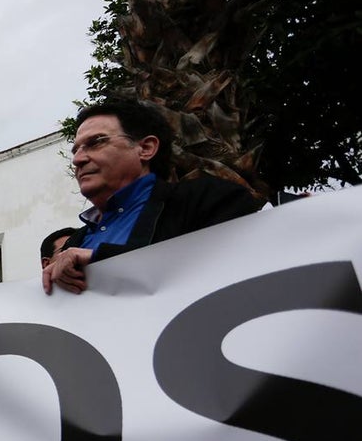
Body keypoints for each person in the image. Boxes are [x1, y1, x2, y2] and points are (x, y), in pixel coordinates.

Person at [44, 98, 263, 294]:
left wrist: (98, 260)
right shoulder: (74, 242)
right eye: (76, 150)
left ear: (146, 148)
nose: (78, 159)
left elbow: (230, 278)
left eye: (96, 142)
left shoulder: (208, 201)